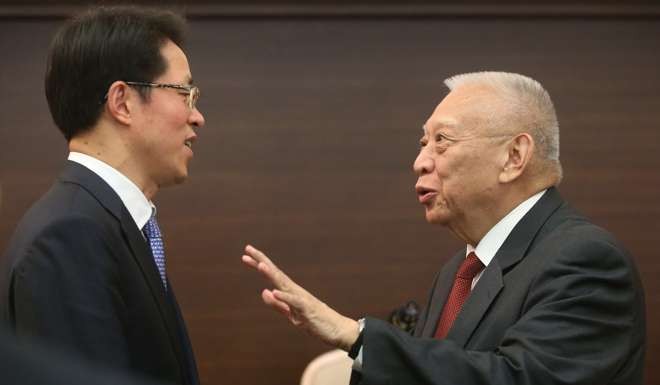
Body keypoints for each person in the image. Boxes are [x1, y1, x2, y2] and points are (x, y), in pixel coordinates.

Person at [242, 72, 646, 385]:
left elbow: (518, 379)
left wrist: (356, 335)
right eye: (422, 143)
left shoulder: (587, 261)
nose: (420, 161)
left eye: (442, 141)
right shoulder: (459, 270)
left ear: (514, 156)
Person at [1, 6, 204, 385]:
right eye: (184, 93)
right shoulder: (68, 236)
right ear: (122, 102)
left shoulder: (106, 220)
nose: (197, 116)